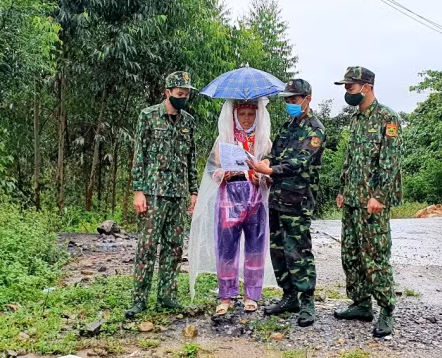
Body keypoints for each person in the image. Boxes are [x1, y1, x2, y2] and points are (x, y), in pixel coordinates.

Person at [188, 97, 277, 317]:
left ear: (258, 116)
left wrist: (262, 178)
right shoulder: (224, 142)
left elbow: (272, 171)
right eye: (242, 114)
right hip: (229, 198)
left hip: (255, 199)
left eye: (251, 114)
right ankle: (225, 296)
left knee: (255, 247)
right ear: (235, 116)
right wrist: (222, 174)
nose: (246, 119)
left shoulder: (264, 142)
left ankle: (251, 295)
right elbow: (212, 170)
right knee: (226, 248)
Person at [247, 79, 325, 327]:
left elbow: (299, 163)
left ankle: (307, 302)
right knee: (278, 250)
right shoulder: (287, 127)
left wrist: (270, 171)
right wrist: (264, 164)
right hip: (277, 198)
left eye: (294, 99)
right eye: (287, 100)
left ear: (307, 99)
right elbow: (275, 154)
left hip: (298, 200)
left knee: (298, 252)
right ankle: (288, 296)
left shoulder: (315, 129)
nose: (290, 103)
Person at [332, 66, 402, 338]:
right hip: (351, 198)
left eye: (350, 86)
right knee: (350, 253)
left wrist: (379, 196)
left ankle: (386, 309)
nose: (347, 91)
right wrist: (341, 188)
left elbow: (390, 162)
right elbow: (349, 159)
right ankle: (361, 303)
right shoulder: (355, 119)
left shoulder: (388, 117)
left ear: (366, 86)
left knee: (375, 256)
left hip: (372, 202)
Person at [125, 71, 198, 318]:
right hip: (153, 191)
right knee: (147, 246)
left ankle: (167, 296)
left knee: (174, 247)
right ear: (167, 92)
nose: (184, 97)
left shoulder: (188, 122)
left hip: (178, 194)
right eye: (180, 93)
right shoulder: (148, 116)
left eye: (186, 94)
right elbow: (139, 155)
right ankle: (139, 300)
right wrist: (137, 191)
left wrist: (194, 191)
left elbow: (192, 158)